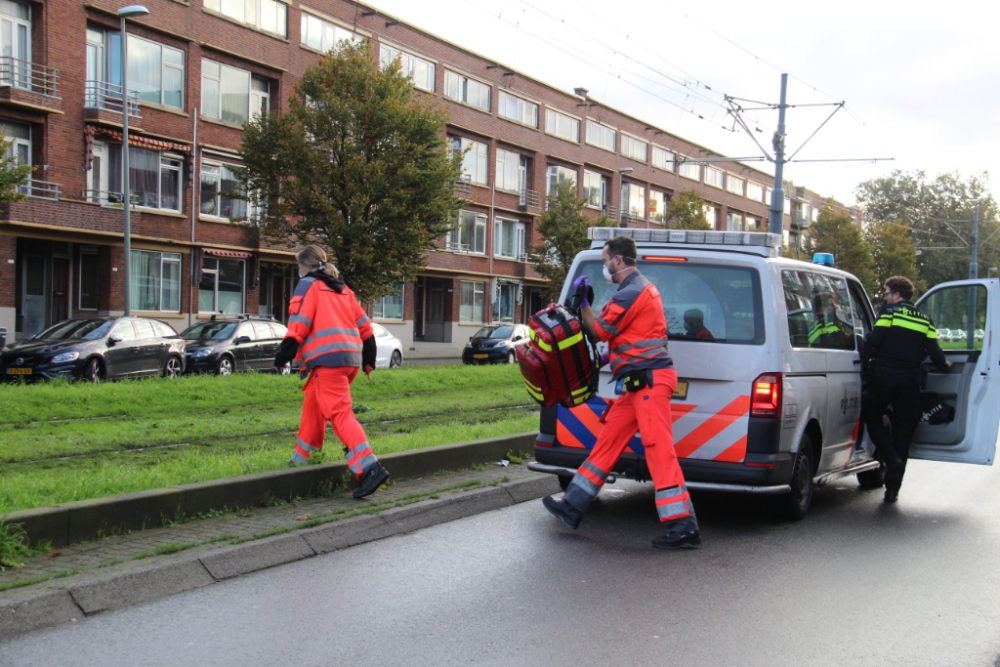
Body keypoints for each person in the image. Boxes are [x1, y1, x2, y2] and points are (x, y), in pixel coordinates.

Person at [541, 236, 701, 549]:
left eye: (604, 260)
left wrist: (585, 304)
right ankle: (573, 506)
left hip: (648, 383)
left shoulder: (630, 292)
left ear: (617, 260)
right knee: (609, 441)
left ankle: (683, 526)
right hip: (640, 383)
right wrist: (599, 357)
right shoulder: (641, 289)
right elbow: (626, 344)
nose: (604, 266)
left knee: (658, 450)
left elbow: (600, 331)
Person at [274, 245, 390, 499]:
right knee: (313, 407)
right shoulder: (343, 289)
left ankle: (369, 467)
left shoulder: (307, 285)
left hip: (327, 362)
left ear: (304, 266)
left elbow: (298, 326)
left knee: (339, 414)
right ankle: (302, 462)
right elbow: (366, 329)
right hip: (347, 360)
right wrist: (367, 361)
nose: (298, 271)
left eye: (298, 266)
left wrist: (282, 356)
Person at [862, 276, 950, 503]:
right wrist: (943, 366)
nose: (885, 296)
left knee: (872, 418)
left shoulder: (889, 313)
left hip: (883, 377)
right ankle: (892, 490)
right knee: (904, 433)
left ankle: (890, 458)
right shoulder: (926, 320)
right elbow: (936, 353)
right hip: (910, 382)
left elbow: (874, 340)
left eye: (887, 292)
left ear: (897, 295)